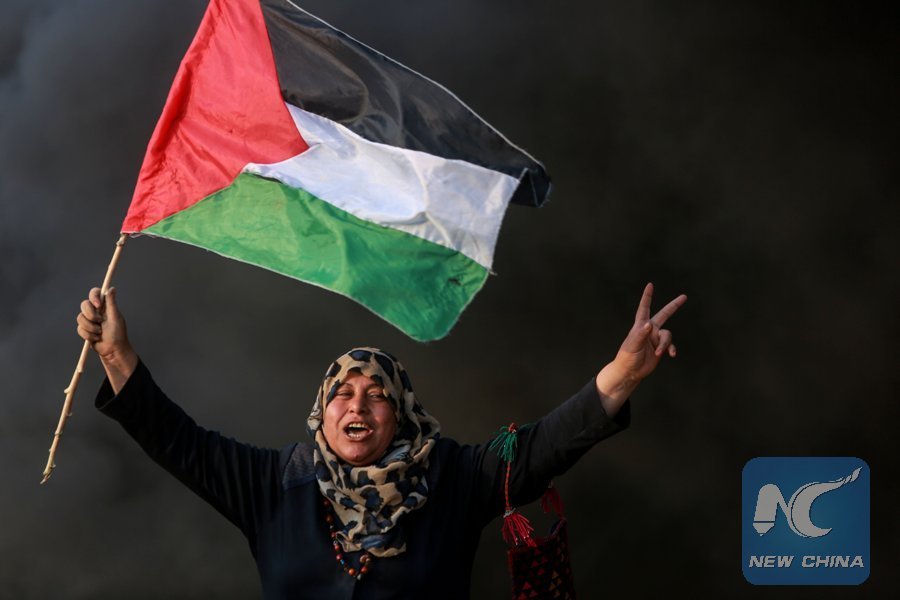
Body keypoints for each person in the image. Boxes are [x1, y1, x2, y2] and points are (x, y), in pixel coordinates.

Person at [76, 283, 686, 599]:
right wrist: (115, 353)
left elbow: (543, 445)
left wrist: (623, 374)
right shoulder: (274, 484)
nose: (358, 406)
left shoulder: (453, 478)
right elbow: (180, 442)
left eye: (377, 395)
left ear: (401, 415)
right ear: (322, 411)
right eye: (343, 393)